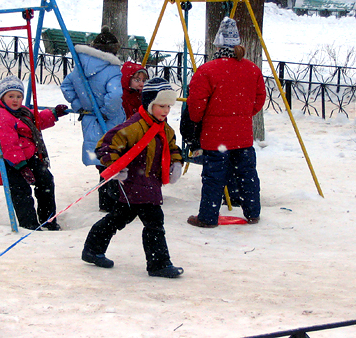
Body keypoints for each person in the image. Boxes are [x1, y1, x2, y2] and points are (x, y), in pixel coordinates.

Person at [81, 77, 184, 278]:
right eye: (160, 105)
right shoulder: (133, 126)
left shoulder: (165, 128)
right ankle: (158, 263)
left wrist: (177, 163)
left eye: (168, 106)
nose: (165, 111)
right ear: (149, 104)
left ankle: (92, 249)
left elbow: (172, 147)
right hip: (132, 182)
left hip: (149, 183)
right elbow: (105, 145)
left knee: (118, 218)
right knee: (154, 222)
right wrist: (114, 165)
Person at [186, 17, 266, 228]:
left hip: (215, 137)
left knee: (213, 177)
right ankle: (253, 212)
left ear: (218, 45)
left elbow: (196, 105)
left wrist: (199, 120)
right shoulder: (252, 69)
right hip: (243, 135)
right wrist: (244, 115)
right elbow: (259, 100)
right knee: (247, 174)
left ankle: (208, 217)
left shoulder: (207, 70)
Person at [0, 75, 68, 231]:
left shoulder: (22, 112)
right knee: (20, 187)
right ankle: (29, 224)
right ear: (3, 97)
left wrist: (54, 114)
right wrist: (22, 167)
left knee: (46, 180)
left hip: (23, 156)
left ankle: (48, 219)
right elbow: (8, 144)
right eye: (11, 96)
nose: (15, 100)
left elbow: (37, 119)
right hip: (0, 158)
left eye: (19, 96)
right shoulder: (0, 115)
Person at [60, 26, 126, 213]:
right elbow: (114, 95)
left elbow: (66, 86)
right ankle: (113, 203)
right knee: (114, 159)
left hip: (90, 119)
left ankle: (105, 202)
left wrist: (78, 105)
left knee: (101, 158)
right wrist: (107, 111)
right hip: (109, 119)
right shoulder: (111, 69)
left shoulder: (80, 66)